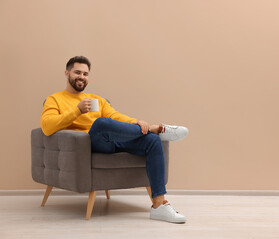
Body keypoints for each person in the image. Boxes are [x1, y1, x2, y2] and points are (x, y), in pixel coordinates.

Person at [40, 56, 188, 223]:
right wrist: (77, 111)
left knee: (153, 141)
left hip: (115, 141)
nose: (82, 76)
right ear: (67, 73)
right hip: (90, 145)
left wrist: (135, 122)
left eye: (85, 74)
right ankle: (157, 129)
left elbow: (114, 116)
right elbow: (47, 126)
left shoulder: (97, 99)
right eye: (77, 72)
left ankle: (159, 206)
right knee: (101, 123)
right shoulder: (55, 99)